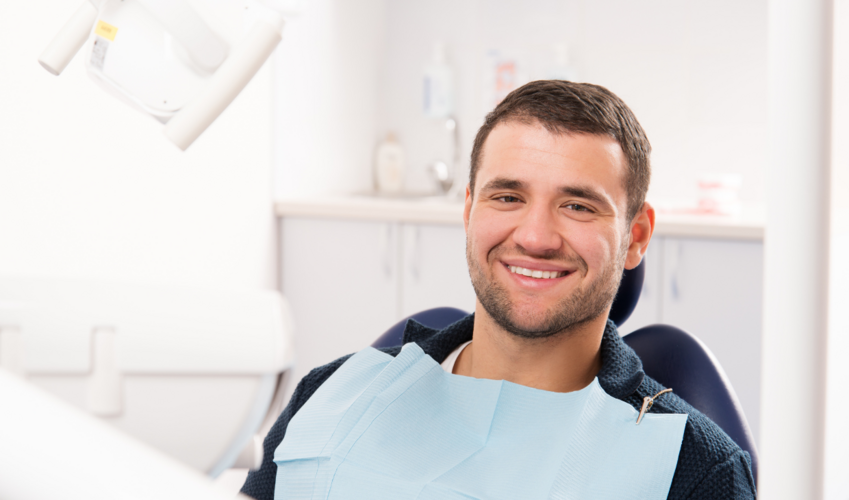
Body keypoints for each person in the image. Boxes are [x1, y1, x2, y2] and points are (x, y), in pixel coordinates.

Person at [241, 80, 757, 499]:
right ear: (469, 212)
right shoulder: (331, 392)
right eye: (508, 197)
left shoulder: (698, 471)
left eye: (577, 206)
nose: (535, 238)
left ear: (635, 236)